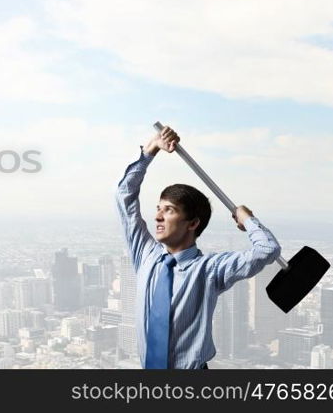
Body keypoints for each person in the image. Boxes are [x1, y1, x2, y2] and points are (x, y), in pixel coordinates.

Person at [116, 126, 282, 369]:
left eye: (169, 210)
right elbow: (124, 196)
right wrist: (150, 150)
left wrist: (246, 219)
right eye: (158, 209)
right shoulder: (145, 254)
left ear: (192, 223)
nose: (158, 218)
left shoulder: (209, 270)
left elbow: (267, 249)